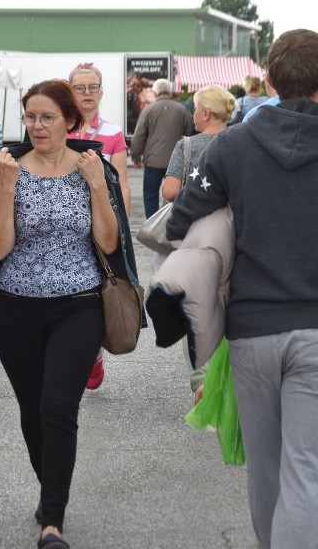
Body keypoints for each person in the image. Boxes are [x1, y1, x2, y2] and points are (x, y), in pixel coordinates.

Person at [166, 29, 318, 548]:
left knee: (266, 471)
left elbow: (182, 223)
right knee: (310, 477)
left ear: (268, 80)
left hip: (252, 329)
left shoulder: (231, 145)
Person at [0, 79, 138, 549]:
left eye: (47, 117)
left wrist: (97, 185)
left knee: (59, 408)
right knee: (33, 412)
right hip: (15, 311)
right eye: (30, 117)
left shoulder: (92, 167)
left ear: (71, 121)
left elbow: (110, 243)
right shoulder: (8, 169)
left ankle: (52, 518)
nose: (36, 126)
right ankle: (50, 487)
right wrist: (8, 189)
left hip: (79, 308)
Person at [159, 84, 236, 404]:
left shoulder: (188, 145)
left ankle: (202, 376)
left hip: (196, 235)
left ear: (205, 113)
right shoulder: (242, 141)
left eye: (195, 109)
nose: (193, 115)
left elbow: (169, 191)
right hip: (236, 232)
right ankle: (230, 373)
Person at [67, 62, 131, 391]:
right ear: (69, 91)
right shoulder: (56, 129)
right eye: (80, 88)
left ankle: (92, 351)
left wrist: (122, 229)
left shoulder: (113, 133)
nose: (87, 94)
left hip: (99, 223)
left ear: (102, 92)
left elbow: (120, 184)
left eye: (93, 88)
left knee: (95, 290)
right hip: (64, 225)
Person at [131, 78, 192, 218]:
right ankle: (173, 221)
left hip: (153, 161)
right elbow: (189, 133)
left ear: (155, 91)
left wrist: (135, 156)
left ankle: (152, 224)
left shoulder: (149, 109)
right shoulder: (182, 110)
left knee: (150, 195)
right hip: (177, 161)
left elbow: (139, 135)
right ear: (170, 91)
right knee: (175, 195)